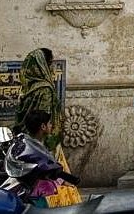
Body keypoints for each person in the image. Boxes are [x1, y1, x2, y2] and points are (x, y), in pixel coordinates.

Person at [13, 48, 82, 207]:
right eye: (49, 64)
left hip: (26, 145)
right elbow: (45, 118)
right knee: (52, 186)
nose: (51, 68)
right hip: (44, 146)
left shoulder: (27, 89)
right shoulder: (45, 90)